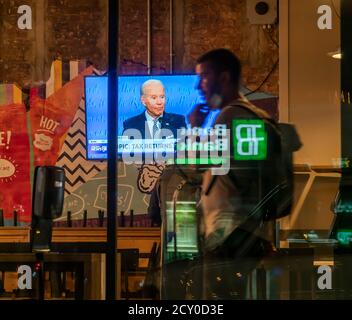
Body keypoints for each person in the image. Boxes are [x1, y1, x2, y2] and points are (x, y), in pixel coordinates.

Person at [185, 48, 278, 299]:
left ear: (224, 78)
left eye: (203, 77)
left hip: (229, 235)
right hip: (249, 232)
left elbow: (197, 165)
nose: (198, 86)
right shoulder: (257, 116)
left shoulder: (230, 116)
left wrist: (194, 128)